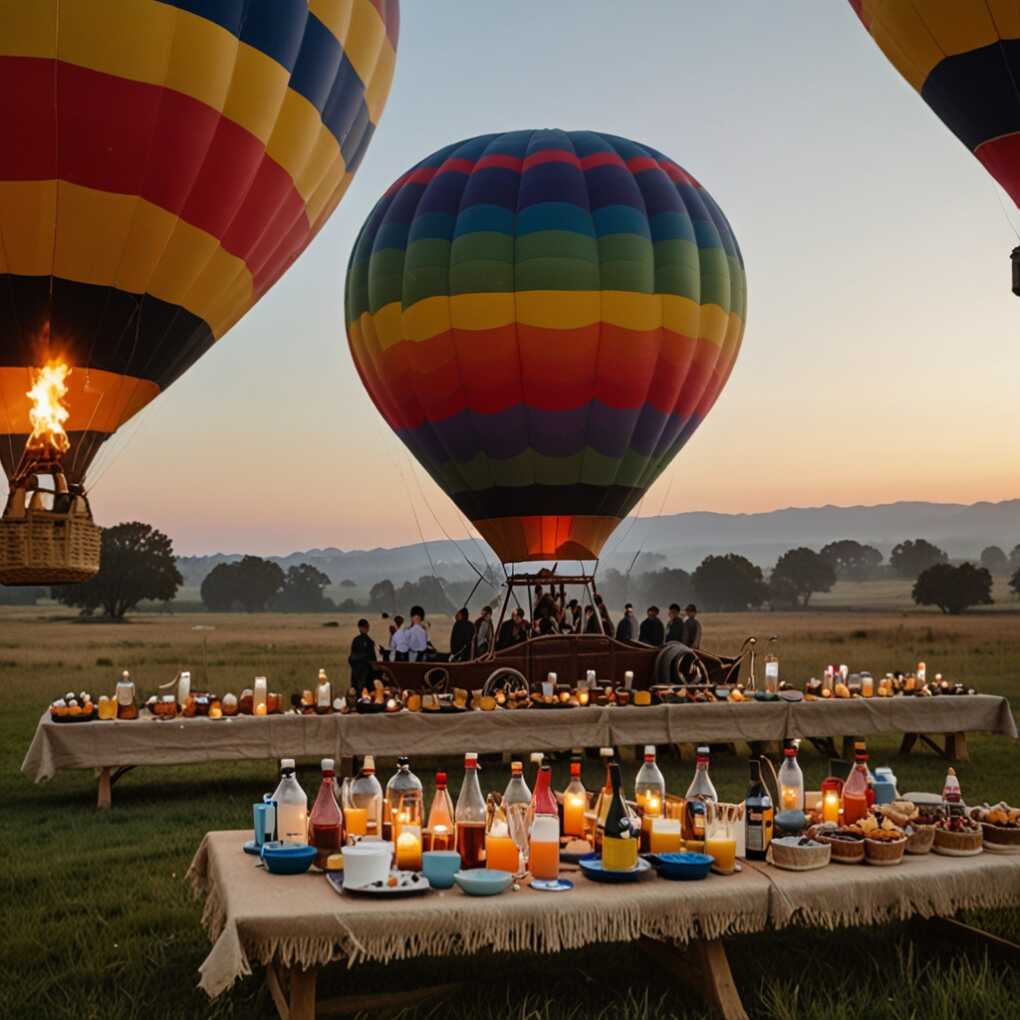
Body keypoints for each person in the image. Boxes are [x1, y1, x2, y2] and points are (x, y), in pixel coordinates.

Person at [348, 619, 377, 692]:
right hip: (363, 671)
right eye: (365, 627)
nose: (366, 628)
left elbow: (351, 658)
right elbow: (372, 658)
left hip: (358, 671)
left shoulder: (358, 640)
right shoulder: (368, 641)